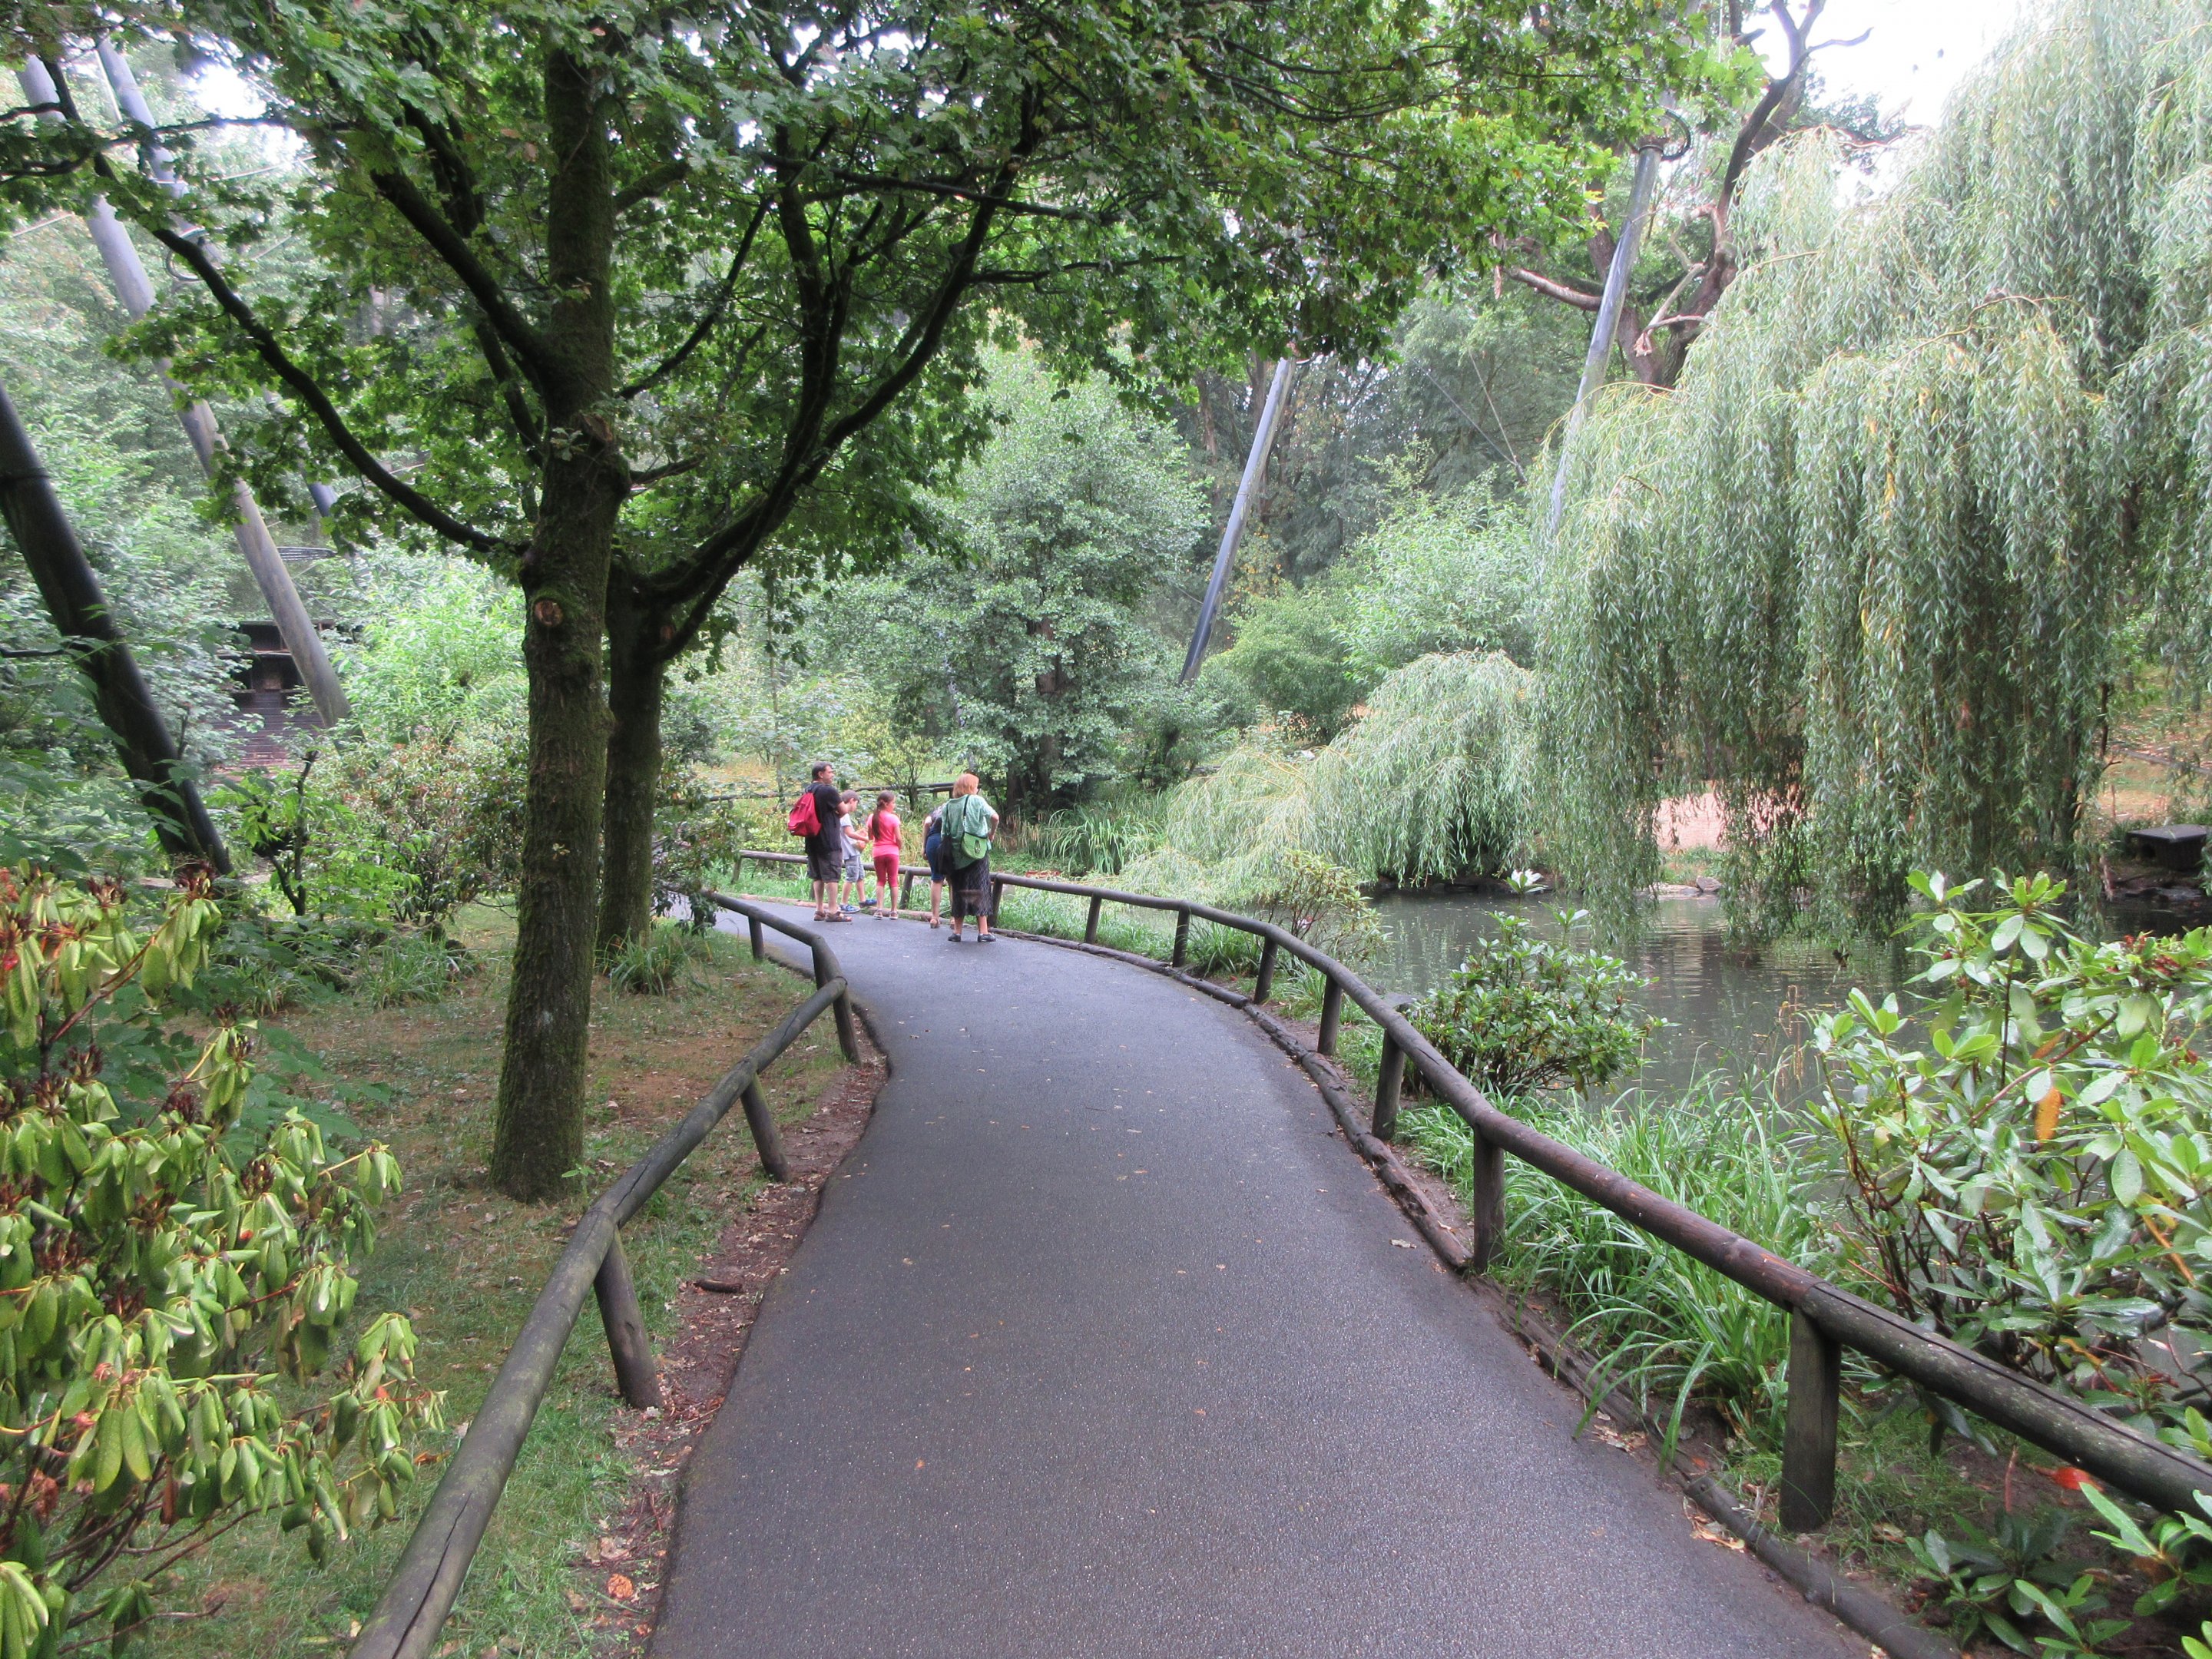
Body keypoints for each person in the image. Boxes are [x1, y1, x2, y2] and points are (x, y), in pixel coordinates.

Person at [938, 772, 1000, 943]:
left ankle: (957, 932)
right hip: (977, 852)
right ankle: (983, 932)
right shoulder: (977, 801)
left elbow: (944, 833)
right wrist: (991, 833)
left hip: (956, 855)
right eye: (976, 786)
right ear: (971, 787)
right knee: (980, 888)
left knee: (960, 890)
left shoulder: (949, 805)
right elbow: (994, 817)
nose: (978, 789)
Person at [803, 763, 847, 921]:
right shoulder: (828, 791)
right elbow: (843, 810)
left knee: (818, 876)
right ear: (821, 774)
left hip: (811, 839)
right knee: (832, 877)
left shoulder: (808, 790)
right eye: (830, 772)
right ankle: (833, 911)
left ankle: (819, 909)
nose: (832, 774)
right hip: (828, 839)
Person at [866, 791, 902, 918]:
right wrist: (899, 847)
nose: (894, 805)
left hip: (878, 851)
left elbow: (870, 836)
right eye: (893, 802)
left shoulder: (872, 817)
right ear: (886, 804)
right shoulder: (893, 818)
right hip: (892, 851)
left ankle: (879, 909)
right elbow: (898, 838)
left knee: (880, 880)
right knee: (893, 881)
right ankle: (894, 911)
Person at [838, 791, 867, 912]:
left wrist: (860, 832)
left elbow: (849, 833)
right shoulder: (844, 815)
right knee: (851, 877)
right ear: (851, 801)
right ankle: (843, 904)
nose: (856, 807)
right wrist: (864, 838)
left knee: (860, 875)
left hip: (854, 850)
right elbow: (849, 833)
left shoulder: (844, 815)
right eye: (856, 803)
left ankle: (863, 900)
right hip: (849, 852)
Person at [922, 800, 947, 929]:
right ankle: (954, 918)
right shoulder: (954, 811)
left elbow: (927, 824)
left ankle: (934, 917)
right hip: (947, 842)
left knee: (936, 879)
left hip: (932, 842)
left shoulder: (934, 814)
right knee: (953, 881)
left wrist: (924, 847)